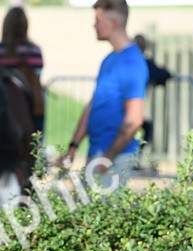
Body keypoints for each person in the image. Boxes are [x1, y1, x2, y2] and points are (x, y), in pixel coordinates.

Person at [55, 0, 148, 184]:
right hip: (97, 153)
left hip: (113, 159)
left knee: (99, 211)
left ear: (113, 22)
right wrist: (73, 148)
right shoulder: (109, 60)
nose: (94, 25)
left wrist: (108, 157)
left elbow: (134, 119)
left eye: (98, 19)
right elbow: (93, 105)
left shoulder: (132, 63)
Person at [0, 5, 45, 134]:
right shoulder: (34, 51)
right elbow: (38, 75)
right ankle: (38, 142)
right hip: (29, 109)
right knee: (39, 100)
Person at [133, 33, 172, 167]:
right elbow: (164, 74)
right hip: (132, 109)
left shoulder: (125, 61)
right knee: (144, 130)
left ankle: (133, 158)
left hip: (125, 109)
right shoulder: (144, 63)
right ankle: (133, 158)